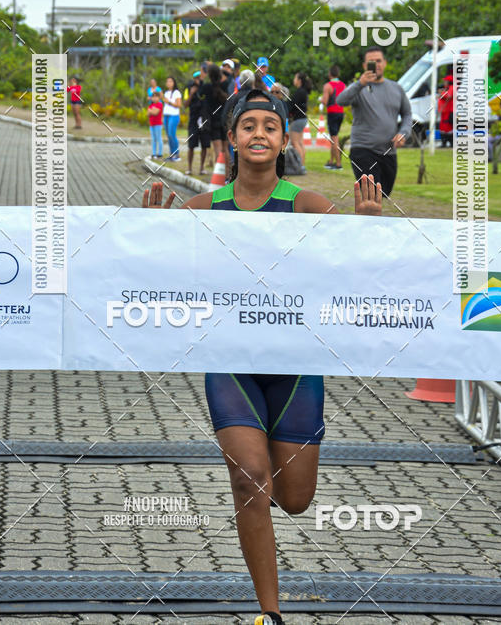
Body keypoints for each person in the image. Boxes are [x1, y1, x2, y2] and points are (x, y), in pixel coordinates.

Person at [143, 88, 382, 625]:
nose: (258, 133)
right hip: (231, 364)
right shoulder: (202, 209)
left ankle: (269, 494)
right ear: (230, 138)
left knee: (293, 499)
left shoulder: (309, 206)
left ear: (284, 141)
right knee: (250, 478)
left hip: (296, 369)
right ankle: (268, 614)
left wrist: (370, 232)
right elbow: (158, 279)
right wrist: (146, 235)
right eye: (247, 125)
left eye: (268, 127)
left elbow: (356, 277)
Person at [336, 47, 411, 198]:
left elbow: (407, 114)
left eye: (378, 61)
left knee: (383, 194)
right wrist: (360, 83)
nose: (376, 64)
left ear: (385, 63)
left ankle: (373, 220)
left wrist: (403, 133)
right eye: (371, 62)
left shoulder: (396, 88)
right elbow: (340, 100)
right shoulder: (358, 88)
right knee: (371, 195)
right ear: (364, 66)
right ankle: (369, 220)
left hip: (389, 151)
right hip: (363, 149)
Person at [197, 63, 228, 164]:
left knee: (218, 150)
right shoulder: (224, 85)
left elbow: (199, 94)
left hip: (213, 121)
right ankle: (228, 175)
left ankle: (220, 176)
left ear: (209, 75)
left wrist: (201, 79)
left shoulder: (207, 87)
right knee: (225, 149)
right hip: (224, 120)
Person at [184, 70, 210, 175]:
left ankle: (202, 168)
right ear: (193, 79)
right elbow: (185, 105)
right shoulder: (188, 88)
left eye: (200, 78)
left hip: (204, 120)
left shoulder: (206, 88)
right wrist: (191, 94)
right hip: (193, 120)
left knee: (204, 145)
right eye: (196, 78)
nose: (198, 80)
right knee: (191, 145)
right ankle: (189, 168)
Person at [321, 64, 346, 170]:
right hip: (341, 112)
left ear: (329, 74)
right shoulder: (343, 85)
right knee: (333, 137)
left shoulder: (328, 86)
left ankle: (338, 164)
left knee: (334, 139)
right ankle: (331, 161)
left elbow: (325, 101)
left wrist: (321, 100)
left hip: (332, 113)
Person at [288, 72, 311, 170]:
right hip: (303, 119)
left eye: (295, 78)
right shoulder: (304, 91)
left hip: (298, 120)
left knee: (295, 142)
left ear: (299, 81)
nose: (294, 80)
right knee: (300, 143)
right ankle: (302, 165)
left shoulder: (299, 92)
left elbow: (292, 105)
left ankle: (300, 165)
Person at [163, 76, 182, 161]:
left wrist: (169, 102)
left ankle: (176, 155)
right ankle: (171, 154)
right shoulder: (166, 92)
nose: (169, 83)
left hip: (173, 116)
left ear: (174, 83)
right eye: (167, 81)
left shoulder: (176, 93)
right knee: (168, 136)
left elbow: (178, 105)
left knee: (172, 134)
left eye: (170, 81)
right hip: (166, 116)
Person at [438, 73, 454, 148]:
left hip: (448, 111)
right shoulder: (447, 88)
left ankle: (449, 142)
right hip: (444, 111)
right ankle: (444, 142)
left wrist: (442, 93)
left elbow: (448, 96)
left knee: (448, 127)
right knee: (443, 127)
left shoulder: (451, 87)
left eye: (446, 81)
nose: (444, 83)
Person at [147, 88, 164, 159]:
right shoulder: (150, 105)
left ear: (159, 97)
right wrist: (151, 111)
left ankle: (160, 153)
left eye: (156, 96)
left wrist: (151, 111)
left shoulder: (160, 104)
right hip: (152, 124)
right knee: (153, 139)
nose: (154, 98)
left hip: (158, 124)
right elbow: (148, 114)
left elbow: (155, 113)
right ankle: (154, 153)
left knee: (158, 138)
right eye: (153, 97)